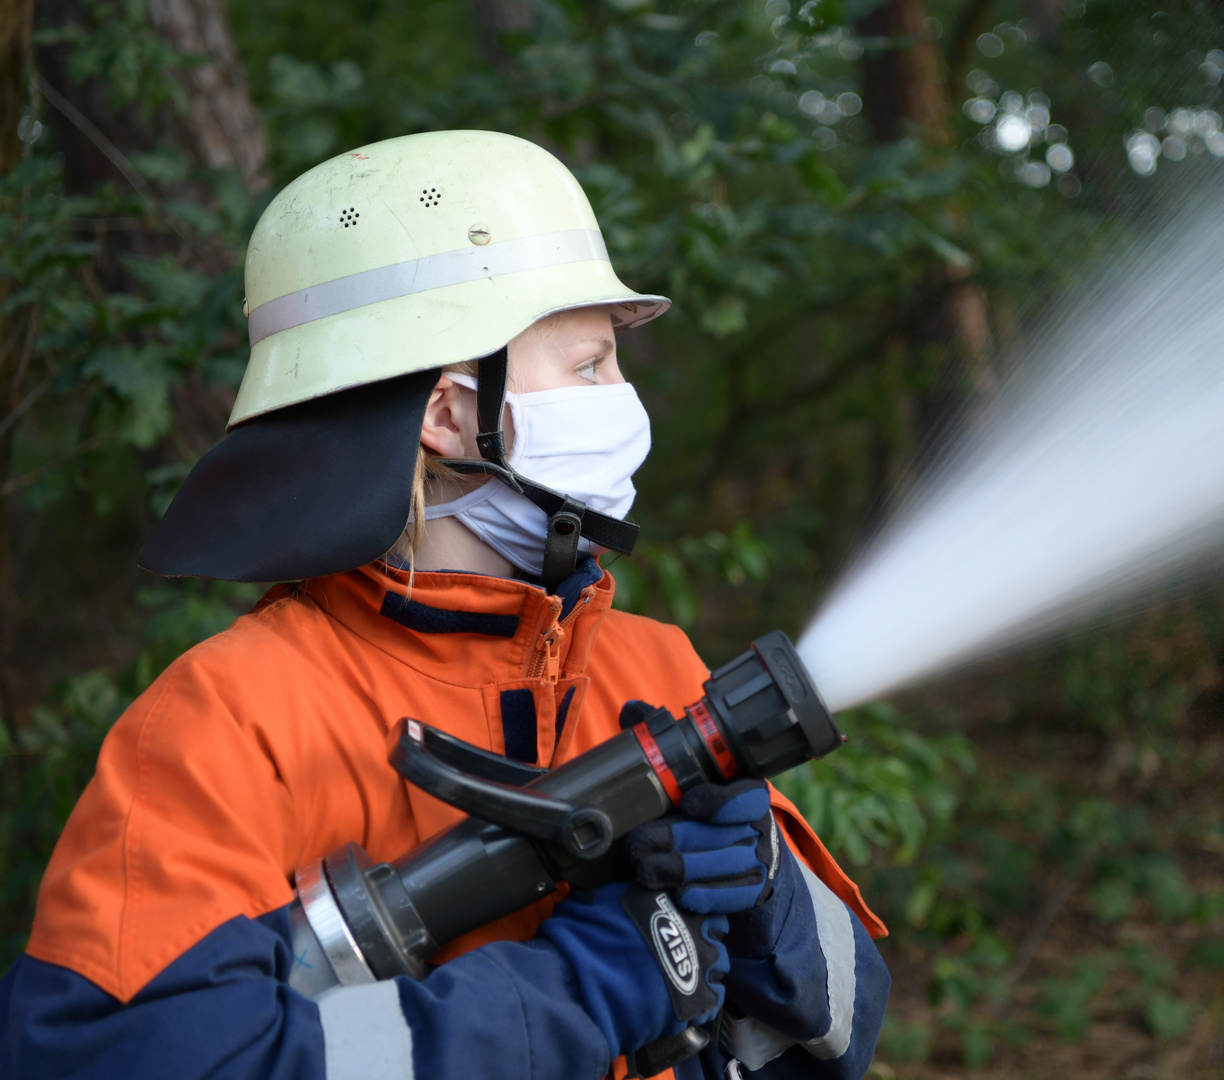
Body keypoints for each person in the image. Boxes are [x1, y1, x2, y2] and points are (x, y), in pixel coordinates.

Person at [0, 130, 889, 1080]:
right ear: (447, 412)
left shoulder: (653, 670)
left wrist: (766, 900)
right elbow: (118, 1059)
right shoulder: (229, 718)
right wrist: (575, 991)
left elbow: (838, 1036)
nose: (624, 402)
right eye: (590, 366)